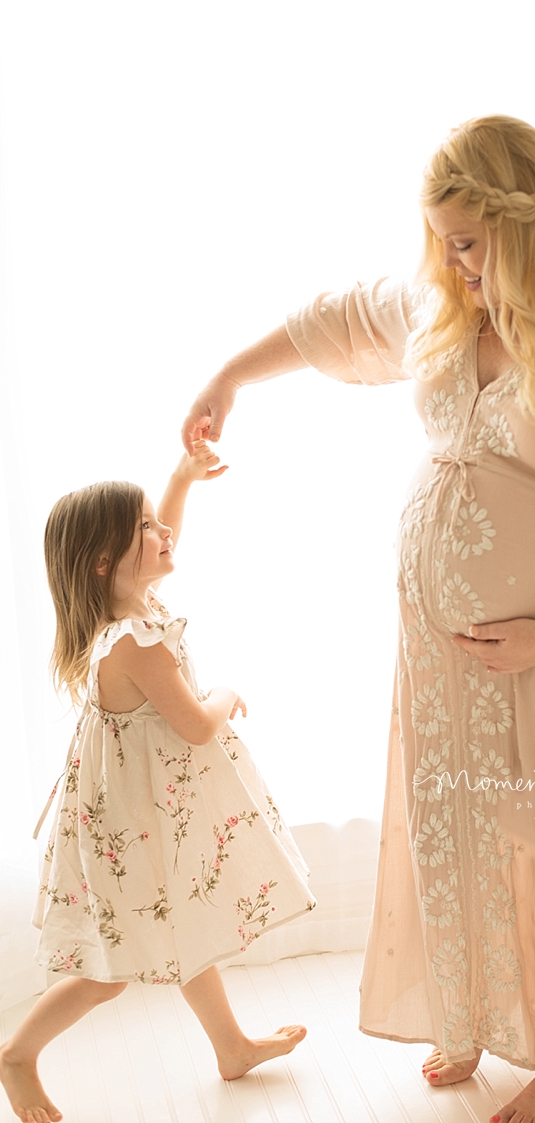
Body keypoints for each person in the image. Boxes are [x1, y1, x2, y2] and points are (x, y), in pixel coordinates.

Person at [180, 116, 535, 1123]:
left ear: (534, 219)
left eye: (470, 240)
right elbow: (341, 320)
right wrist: (228, 379)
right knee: (461, 828)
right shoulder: (454, 298)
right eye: (443, 240)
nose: (452, 262)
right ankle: (479, 1010)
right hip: (448, 652)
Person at [0, 441, 315, 1123]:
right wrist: (228, 692)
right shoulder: (134, 641)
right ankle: (17, 1054)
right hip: (128, 822)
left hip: (139, 811)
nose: (164, 532)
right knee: (109, 970)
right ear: (104, 561)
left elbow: (158, 537)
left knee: (179, 919)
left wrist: (180, 478)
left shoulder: (128, 608)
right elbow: (198, 725)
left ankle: (229, 1046)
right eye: (147, 527)